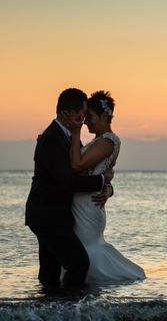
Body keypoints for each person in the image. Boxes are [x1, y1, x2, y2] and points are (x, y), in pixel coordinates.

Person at [25, 88, 114, 289]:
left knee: (50, 272)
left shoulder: (67, 137)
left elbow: (81, 171)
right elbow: (68, 182)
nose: (84, 119)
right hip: (47, 215)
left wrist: (107, 188)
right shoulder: (51, 140)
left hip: (55, 215)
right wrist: (101, 181)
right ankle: (70, 309)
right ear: (71, 113)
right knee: (78, 263)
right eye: (83, 113)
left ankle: (49, 311)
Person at [60, 90, 145, 282]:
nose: (85, 121)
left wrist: (74, 133)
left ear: (105, 116)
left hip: (89, 206)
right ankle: (82, 296)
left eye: (89, 117)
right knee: (80, 250)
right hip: (83, 203)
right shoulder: (97, 141)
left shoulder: (107, 141)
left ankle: (85, 294)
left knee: (86, 250)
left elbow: (77, 165)